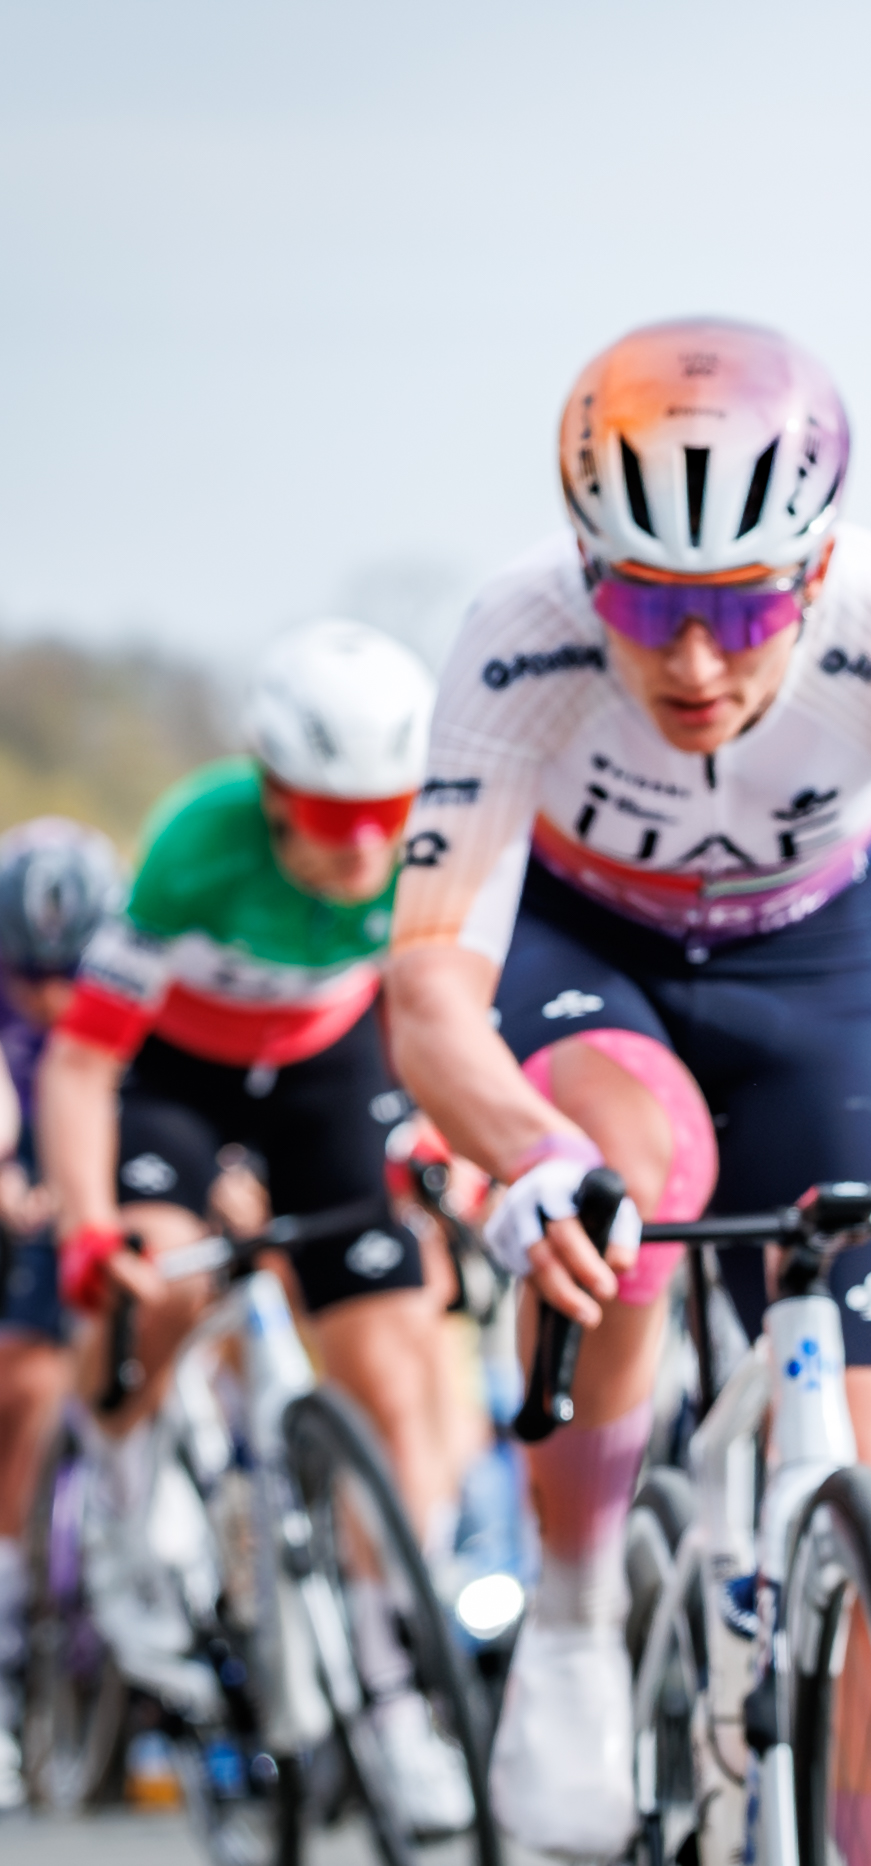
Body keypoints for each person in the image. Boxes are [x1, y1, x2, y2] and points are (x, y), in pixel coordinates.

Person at [382, 320, 871, 1856]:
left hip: (816, 970)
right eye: (644, 605)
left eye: (742, 610)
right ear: (581, 569)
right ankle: (568, 1609)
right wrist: (529, 1155)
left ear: (813, 576)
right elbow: (428, 993)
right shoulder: (514, 636)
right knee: (626, 1163)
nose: (692, 662)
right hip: (585, 952)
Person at [32, 623, 474, 1827]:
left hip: (328, 1068)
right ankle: (125, 1496)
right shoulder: (195, 846)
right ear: (275, 794)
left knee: (397, 1361)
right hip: (176, 1078)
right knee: (156, 1280)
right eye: (335, 818)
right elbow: (78, 1065)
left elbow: (453, 1012)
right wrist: (86, 1230)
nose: (370, 843)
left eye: (390, 808)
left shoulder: (428, 843)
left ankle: (390, 1691)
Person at [0, 819, 125, 1809]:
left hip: (116, 1189)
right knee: (27, 1384)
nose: (47, 995)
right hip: (24, 1205)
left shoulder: (134, 992)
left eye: (65, 973)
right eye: (24, 973)